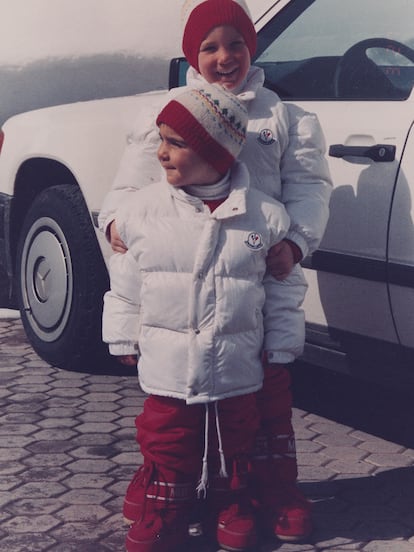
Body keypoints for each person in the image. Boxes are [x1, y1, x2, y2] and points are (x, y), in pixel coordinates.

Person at [99, 0, 332, 543]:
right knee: (177, 394)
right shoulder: (170, 111)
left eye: (236, 43)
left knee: (263, 397)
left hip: (258, 271)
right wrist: (115, 222)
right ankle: (166, 483)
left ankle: (267, 489)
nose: (224, 56)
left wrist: (295, 244)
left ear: (253, 47)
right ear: (191, 55)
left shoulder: (282, 117)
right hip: (184, 270)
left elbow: (309, 189)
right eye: (209, 46)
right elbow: (131, 185)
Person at [102, 82, 291, 552]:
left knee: (236, 432)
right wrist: (123, 334)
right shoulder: (141, 212)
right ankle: (165, 501)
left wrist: (283, 341)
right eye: (160, 139)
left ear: (217, 154)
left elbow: (283, 288)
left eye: (176, 143)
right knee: (167, 431)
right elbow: (127, 280)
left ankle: (232, 499)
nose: (161, 153)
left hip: (237, 357)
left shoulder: (263, 217)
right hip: (170, 359)